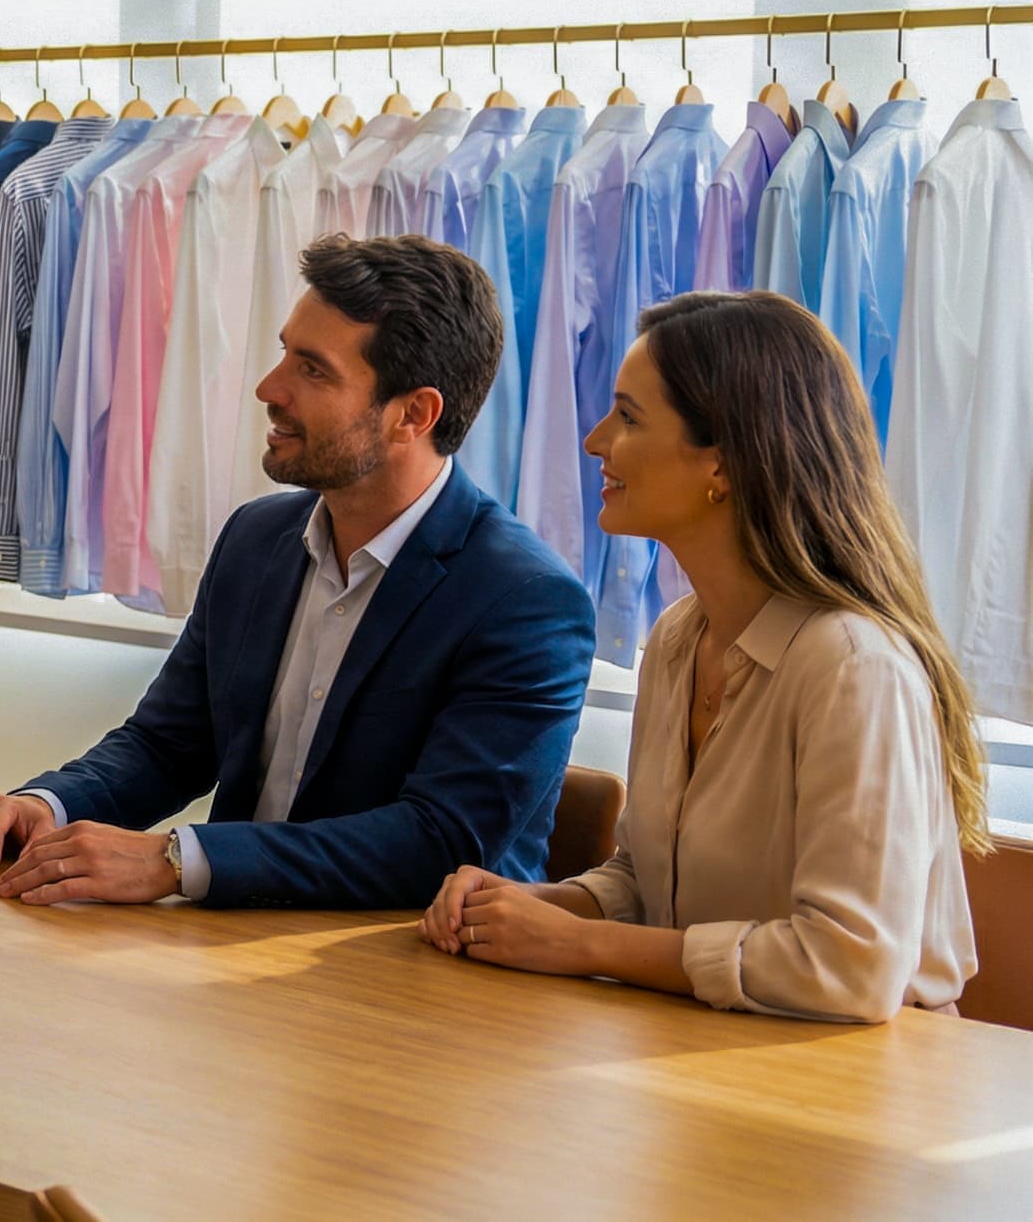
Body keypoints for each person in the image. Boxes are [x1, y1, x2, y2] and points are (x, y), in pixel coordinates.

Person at [0, 235, 595, 909]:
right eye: (285, 351)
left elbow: (440, 841)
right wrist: (52, 804)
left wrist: (175, 859)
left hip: (417, 973)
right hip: (233, 951)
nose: (268, 388)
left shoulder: (526, 600)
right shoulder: (257, 538)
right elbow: (168, 744)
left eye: (312, 370)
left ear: (413, 415)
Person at [421, 291, 984, 1021]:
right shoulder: (681, 639)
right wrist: (526, 907)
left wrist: (580, 946)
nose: (594, 441)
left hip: (864, 1093)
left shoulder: (854, 667)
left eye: (627, 417)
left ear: (722, 462)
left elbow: (854, 966)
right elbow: (652, 881)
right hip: (702, 1063)